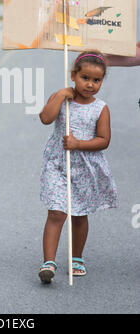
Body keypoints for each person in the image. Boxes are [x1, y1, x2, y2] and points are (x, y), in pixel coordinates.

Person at [38, 51, 118, 284]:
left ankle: (77, 257)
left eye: (97, 80)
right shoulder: (62, 98)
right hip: (58, 163)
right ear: (73, 75)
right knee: (56, 211)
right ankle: (48, 262)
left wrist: (78, 144)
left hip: (85, 167)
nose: (90, 84)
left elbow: (104, 140)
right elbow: (45, 118)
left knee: (79, 214)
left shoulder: (100, 108)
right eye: (85, 78)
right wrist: (60, 95)